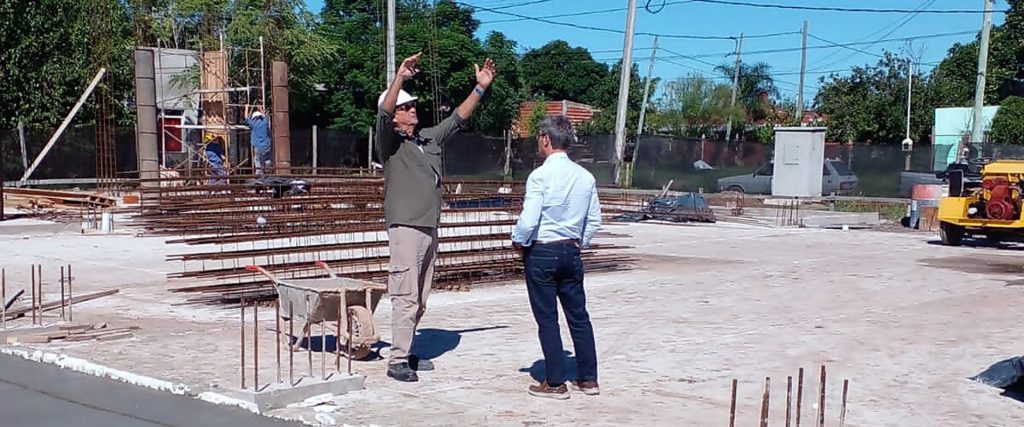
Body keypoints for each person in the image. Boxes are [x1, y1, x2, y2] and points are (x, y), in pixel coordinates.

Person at [376, 52, 496, 382]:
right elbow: (383, 115)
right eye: (405, 107)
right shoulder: (389, 144)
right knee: (405, 294)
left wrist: (480, 89)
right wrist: (399, 78)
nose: (412, 110)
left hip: (429, 225)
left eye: (413, 105)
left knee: (421, 297)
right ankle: (397, 359)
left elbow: (457, 118)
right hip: (406, 227)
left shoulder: (428, 138)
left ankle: (406, 348)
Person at [511, 115, 602, 400]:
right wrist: (580, 243)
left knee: (548, 319)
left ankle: (555, 381)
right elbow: (595, 220)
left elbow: (529, 218)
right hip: (571, 250)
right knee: (579, 317)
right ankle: (588, 378)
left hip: (543, 251)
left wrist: (518, 241)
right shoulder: (586, 177)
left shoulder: (539, 176)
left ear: (546, 139)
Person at [245, 105, 271, 176]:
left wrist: (246, 108)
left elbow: (246, 118)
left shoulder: (254, 123)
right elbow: (265, 116)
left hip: (258, 146)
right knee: (267, 158)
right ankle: (268, 169)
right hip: (267, 146)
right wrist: (261, 108)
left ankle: (259, 173)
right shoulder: (265, 122)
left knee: (257, 160)